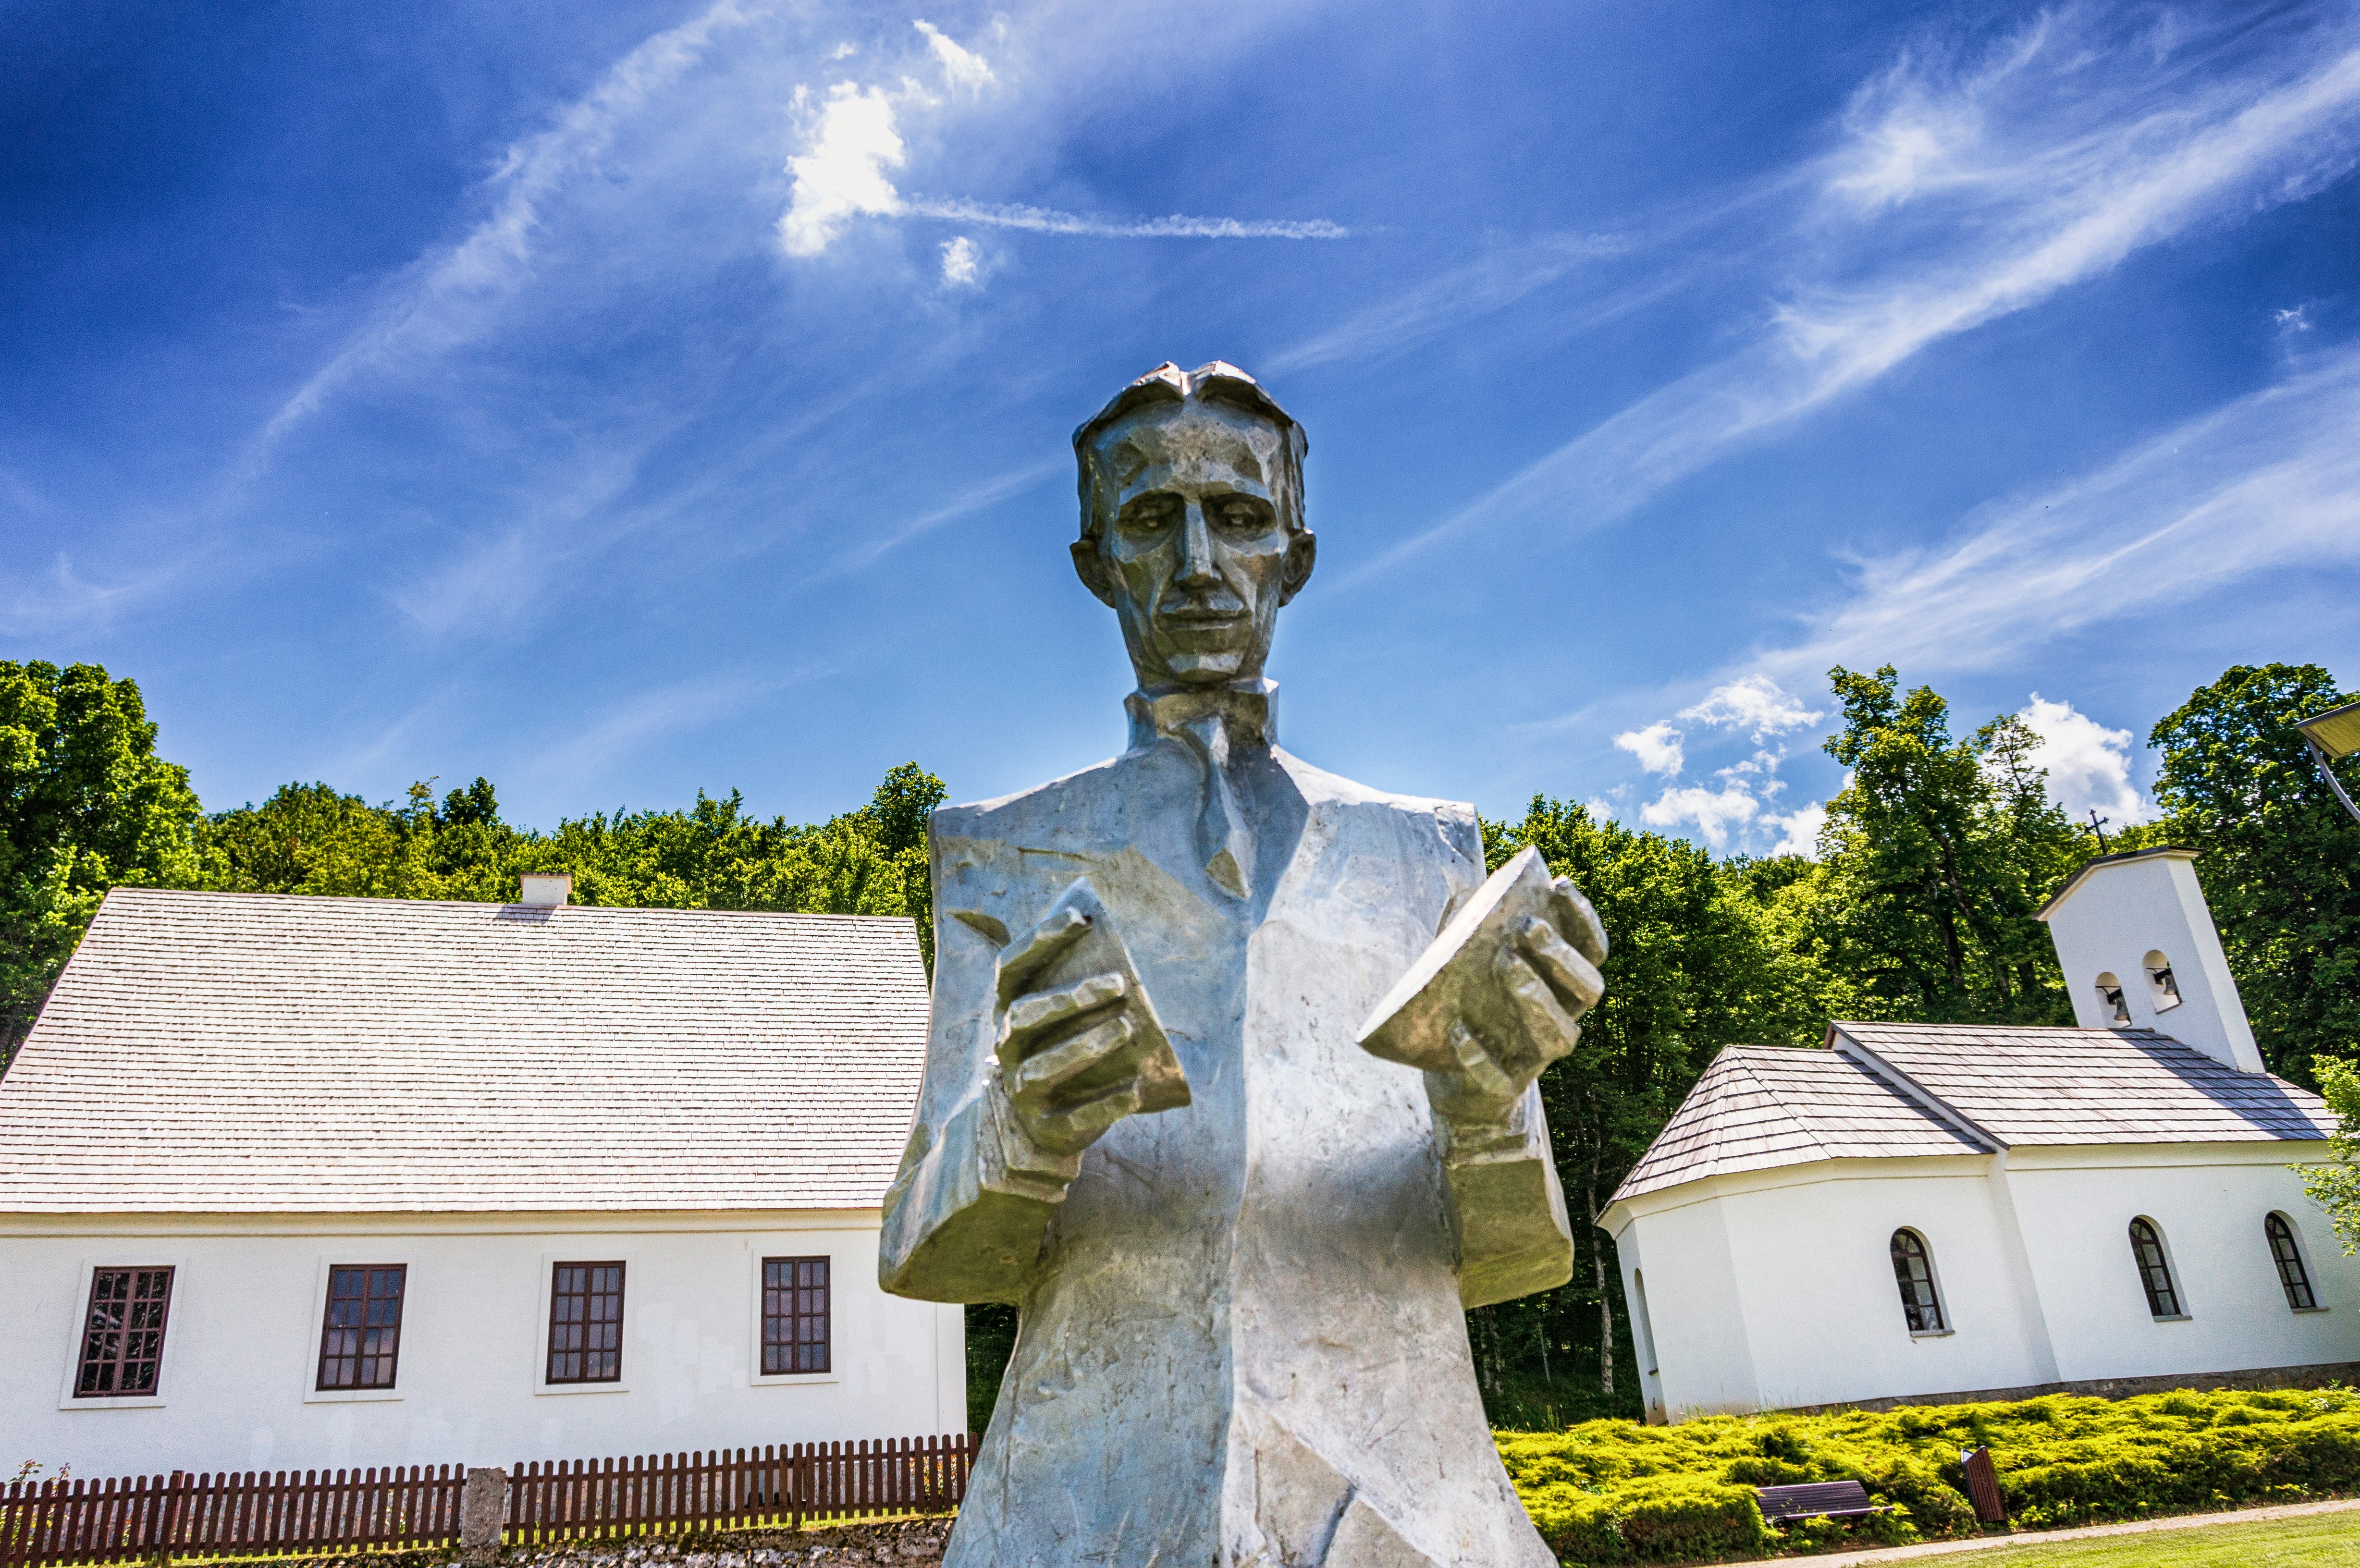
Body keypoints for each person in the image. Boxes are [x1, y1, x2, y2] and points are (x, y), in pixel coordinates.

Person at [880, 361, 1605, 1568]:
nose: (1201, 566)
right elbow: (924, 1251)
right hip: (1090, 1508)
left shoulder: (1424, 850)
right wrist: (1023, 1130)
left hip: (1405, 1507)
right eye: (1153, 521)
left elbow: (1516, 1259)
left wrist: (1483, 1118)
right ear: (1095, 561)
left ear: (1298, 554)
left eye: (1240, 518)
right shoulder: (997, 852)